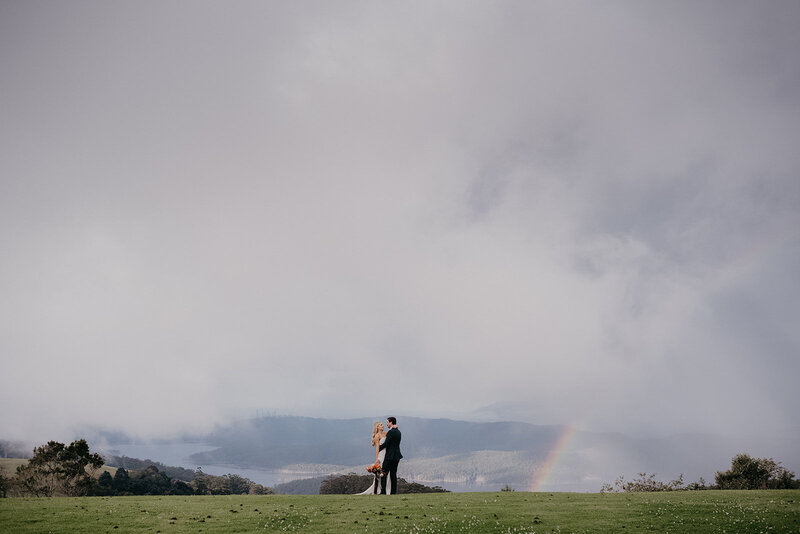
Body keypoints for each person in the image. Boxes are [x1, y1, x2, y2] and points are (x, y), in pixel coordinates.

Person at [357, 421, 387, 495]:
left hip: (387, 454)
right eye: (381, 425)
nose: (383, 426)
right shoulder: (377, 436)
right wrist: (377, 459)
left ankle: (385, 488)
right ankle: (378, 489)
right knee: (381, 471)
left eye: (383, 425)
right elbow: (377, 448)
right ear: (377, 427)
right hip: (381, 454)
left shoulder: (385, 433)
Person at [379, 416, 402, 495]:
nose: (387, 424)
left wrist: (378, 448)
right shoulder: (398, 432)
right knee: (393, 474)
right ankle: (393, 492)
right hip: (397, 456)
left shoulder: (391, 432)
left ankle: (383, 492)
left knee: (383, 473)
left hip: (389, 456)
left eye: (388, 422)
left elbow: (386, 444)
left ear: (391, 422)